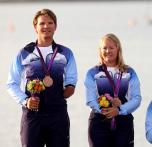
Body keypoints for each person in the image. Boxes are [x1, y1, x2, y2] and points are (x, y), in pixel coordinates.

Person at [7, 9, 77, 147]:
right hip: (33, 115)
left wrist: (70, 88)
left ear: (55, 26)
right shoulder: (24, 53)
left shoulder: (65, 53)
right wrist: (25, 101)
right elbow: (11, 84)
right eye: (42, 23)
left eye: (50, 23)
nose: (46, 26)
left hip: (57, 114)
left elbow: (71, 80)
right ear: (35, 27)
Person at [84, 33, 141, 147]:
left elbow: (136, 99)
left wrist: (120, 110)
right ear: (100, 50)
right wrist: (104, 111)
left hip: (123, 122)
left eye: (111, 47)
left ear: (118, 49)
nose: (108, 51)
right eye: (104, 48)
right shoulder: (93, 73)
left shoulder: (129, 72)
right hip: (99, 122)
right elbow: (90, 100)